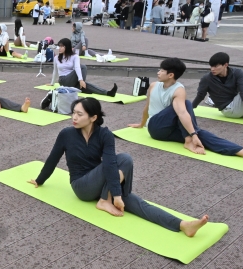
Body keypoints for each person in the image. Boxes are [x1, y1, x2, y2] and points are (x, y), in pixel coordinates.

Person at [28, 97, 210, 235]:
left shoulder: (104, 134)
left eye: (79, 114)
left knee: (138, 203)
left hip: (102, 183)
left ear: (93, 117)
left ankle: (182, 225)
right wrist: (39, 180)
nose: (74, 117)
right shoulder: (66, 134)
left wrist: (117, 194)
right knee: (124, 159)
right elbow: (53, 159)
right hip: (82, 186)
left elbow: (109, 163)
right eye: (73, 112)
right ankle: (105, 200)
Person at [129, 57, 243, 161]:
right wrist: (142, 124)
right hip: (155, 127)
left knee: (205, 136)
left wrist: (195, 134)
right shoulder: (153, 86)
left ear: (170, 75)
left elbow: (181, 113)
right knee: (186, 105)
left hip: (169, 129)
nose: (158, 72)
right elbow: (148, 106)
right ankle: (188, 140)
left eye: (162, 70)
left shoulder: (177, 89)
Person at [192, 52, 243, 122]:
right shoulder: (207, 78)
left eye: (215, 66)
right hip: (228, 109)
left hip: (238, 106)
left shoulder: (237, 73)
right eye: (211, 66)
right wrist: (190, 108)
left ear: (225, 65)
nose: (212, 69)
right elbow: (200, 95)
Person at [48, 38, 118, 96]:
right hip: (63, 81)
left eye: (61, 46)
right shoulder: (56, 58)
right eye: (59, 46)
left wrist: (81, 80)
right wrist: (52, 83)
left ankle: (108, 93)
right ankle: (81, 86)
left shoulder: (75, 56)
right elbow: (55, 71)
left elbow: (77, 67)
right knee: (83, 69)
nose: (59, 48)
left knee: (87, 81)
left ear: (67, 47)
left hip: (73, 80)